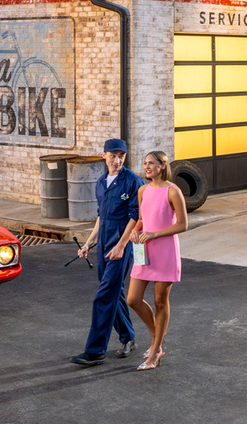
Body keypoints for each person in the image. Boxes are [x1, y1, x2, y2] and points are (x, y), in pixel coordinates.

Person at [71, 138, 143, 366]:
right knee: (113, 292)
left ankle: (95, 351)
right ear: (104, 155)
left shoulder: (133, 181)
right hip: (103, 242)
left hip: (122, 243)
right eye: (113, 155)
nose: (117, 160)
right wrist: (88, 244)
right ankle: (128, 336)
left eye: (121, 156)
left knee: (103, 296)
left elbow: (135, 216)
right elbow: (101, 217)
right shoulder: (101, 182)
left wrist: (122, 246)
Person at [126, 151, 188, 370]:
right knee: (132, 299)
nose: (147, 166)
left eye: (151, 163)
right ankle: (157, 338)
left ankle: (154, 353)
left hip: (165, 251)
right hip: (144, 251)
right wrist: (135, 231)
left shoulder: (173, 191)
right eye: (145, 163)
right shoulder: (143, 190)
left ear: (162, 166)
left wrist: (155, 234)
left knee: (160, 301)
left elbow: (182, 224)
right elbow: (142, 220)